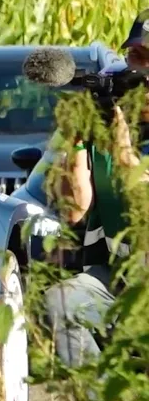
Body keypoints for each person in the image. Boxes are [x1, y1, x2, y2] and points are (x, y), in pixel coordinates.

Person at [43, 58, 149, 367]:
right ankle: (94, 394)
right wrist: (77, 142)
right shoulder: (113, 134)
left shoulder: (122, 143)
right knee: (62, 302)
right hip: (117, 278)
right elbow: (75, 210)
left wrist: (124, 154)